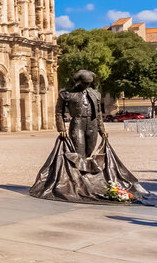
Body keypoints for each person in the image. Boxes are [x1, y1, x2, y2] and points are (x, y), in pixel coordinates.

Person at [30, 69, 148, 202]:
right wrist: (61, 128)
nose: (87, 85)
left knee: (89, 153)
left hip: (91, 124)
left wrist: (101, 129)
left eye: (89, 83)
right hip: (78, 123)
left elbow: (97, 114)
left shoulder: (95, 94)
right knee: (79, 154)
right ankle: (78, 182)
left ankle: (87, 180)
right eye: (85, 83)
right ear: (78, 81)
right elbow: (59, 112)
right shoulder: (67, 94)